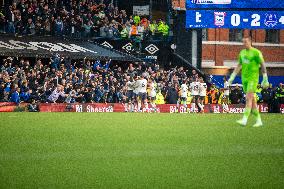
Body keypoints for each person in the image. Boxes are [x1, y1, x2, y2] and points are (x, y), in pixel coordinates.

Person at [228, 36, 269, 127]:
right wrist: (232, 76)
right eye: (243, 42)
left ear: (250, 42)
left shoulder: (256, 52)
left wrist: (265, 77)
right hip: (244, 79)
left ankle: (245, 119)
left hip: (253, 79)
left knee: (248, 98)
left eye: (246, 42)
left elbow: (262, 64)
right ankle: (258, 120)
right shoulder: (242, 53)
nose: (244, 44)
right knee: (253, 100)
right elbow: (239, 65)